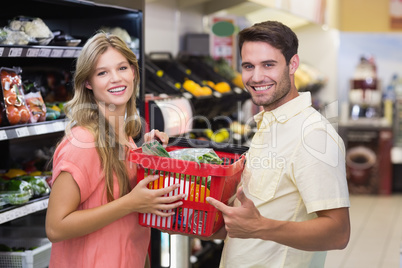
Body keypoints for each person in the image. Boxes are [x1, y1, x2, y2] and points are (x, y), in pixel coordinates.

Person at [206, 21, 351, 267]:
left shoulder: (313, 135)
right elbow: (251, 221)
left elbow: (338, 232)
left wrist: (260, 227)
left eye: (269, 65)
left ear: (293, 64)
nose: (256, 77)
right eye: (248, 66)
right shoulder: (268, 124)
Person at [45, 32, 185, 268]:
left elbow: (128, 217)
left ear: (133, 72)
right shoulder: (83, 142)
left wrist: (150, 156)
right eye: (102, 72)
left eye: (122, 68)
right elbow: (55, 227)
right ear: (88, 82)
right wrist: (131, 203)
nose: (116, 79)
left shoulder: (126, 137)